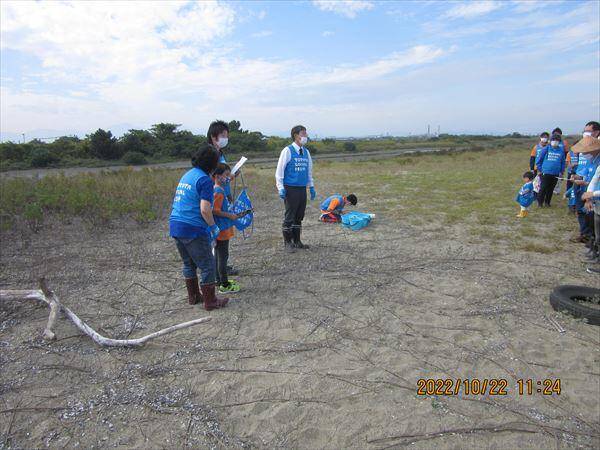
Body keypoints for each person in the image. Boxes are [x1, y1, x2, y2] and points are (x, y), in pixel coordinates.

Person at [169, 145, 229, 311]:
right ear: (212, 163)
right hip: (192, 228)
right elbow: (204, 209)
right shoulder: (204, 180)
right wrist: (213, 226)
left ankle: (194, 296)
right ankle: (210, 301)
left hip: (176, 225)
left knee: (189, 264)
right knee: (208, 265)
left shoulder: (187, 175)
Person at [275, 125, 316, 252]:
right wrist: (280, 187)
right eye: (303, 133)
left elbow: (309, 171)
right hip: (290, 188)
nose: (306, 136)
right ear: (296, 135)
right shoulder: (287, 151)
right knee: (290, 216)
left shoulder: (306, 152)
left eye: (306, 133)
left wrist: (311, 186)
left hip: (301, 188)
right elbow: (279, 172)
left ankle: (297, 241)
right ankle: (288, 243)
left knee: (299, 216)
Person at [207, 120, 239, 276]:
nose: (226, 138)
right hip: (216, 196)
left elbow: (221, 174)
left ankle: (222, 267)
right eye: (223, 135)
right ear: (213, 137)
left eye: (227, 135)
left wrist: (231, 176)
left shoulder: (220, 153)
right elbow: (212, 176)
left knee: (223, 242)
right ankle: (218, 271)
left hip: (224, 193)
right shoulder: (209, 154)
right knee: (217, 240)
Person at [212, 163, 243, 294]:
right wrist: (230, 215)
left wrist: (233, 176)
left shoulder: (219, 187)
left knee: (218, 255)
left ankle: (218, 280)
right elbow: (215, 210)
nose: (228, 178)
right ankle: (224, 284)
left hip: (221, 228)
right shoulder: (218, 191)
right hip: (222, 229)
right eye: (226, 175)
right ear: (217, 176)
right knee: (222, 257)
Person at [570, 121, 600, 243]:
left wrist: (591, 193)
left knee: (594, 223)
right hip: (589, 193)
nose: (583, 154)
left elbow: (594, 180)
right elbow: (588, 176)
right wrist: (577, 177)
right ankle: (589, 241)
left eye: (585, 151)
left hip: (595, 196)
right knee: (586, 217)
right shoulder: (591, 159)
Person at [536, 133, 566, 207]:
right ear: (550, 140)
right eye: (553, 140)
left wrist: (562, 172)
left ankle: (547, 203)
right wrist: (541, 170)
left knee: (551, 189)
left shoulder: (561, 150)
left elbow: (562, 162)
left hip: (555, 173)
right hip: (545, 173)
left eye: (557, 140)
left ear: (559, 142)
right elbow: (538, 161)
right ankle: (540, 203)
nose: (555, 141)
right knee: (543, 188)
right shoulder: (546, 149)